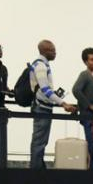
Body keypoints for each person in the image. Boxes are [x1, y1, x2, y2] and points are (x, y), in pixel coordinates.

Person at [29, 40, 77, 170]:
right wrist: (63, 103)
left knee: (41, 141)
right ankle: (35, 172)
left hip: (44, 107)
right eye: (52, 50)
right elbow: (45, 89)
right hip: (41, 107)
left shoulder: (43, 65)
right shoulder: (40, 66)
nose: (55, 53)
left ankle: (38, 168)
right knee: (39, 142)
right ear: (45, 51)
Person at [72, 48, 93, 170]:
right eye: (92, 59)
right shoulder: (85, 75)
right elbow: (76, 90)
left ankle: (92, 171)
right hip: (89, 116)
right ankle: (89, 173)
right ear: (86, 61)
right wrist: (89, 105)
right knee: (91, 145)